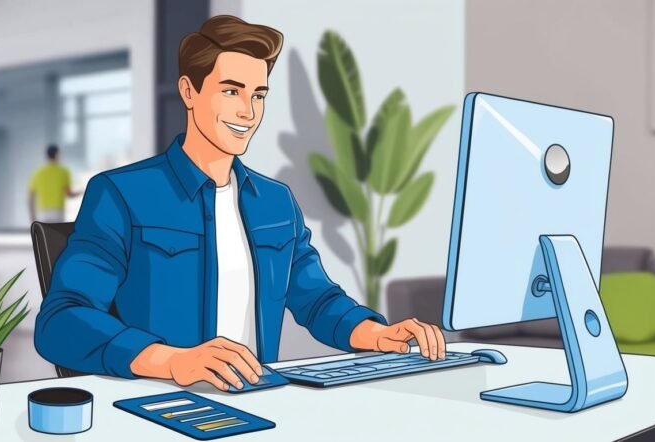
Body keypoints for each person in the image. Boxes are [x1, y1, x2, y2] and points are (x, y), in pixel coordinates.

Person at [35, 15, 446, 391]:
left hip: (262, 403)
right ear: (188, 91)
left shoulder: (275, 202)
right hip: (160, 405)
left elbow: (316, 299)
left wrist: (377, 334)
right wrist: (174, 361)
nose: (248, 112)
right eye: (231, 91)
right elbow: (61, 320)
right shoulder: (123, 193)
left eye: (259, 94)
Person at [28, 145, 79, 223]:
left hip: (43, 212)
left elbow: (31, 197)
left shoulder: (38, 172)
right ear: (57, 154)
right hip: (58, 212)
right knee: (57, 234)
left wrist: (32, 217)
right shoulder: (63, 171)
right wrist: (82, 192)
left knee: (45, 235)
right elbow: (69, 194)